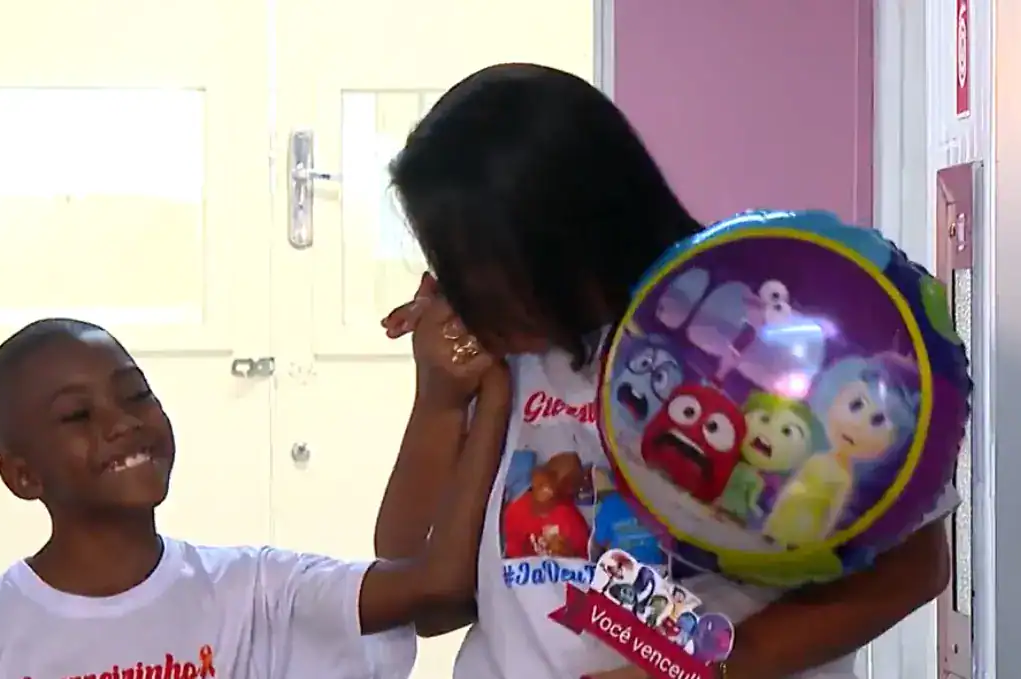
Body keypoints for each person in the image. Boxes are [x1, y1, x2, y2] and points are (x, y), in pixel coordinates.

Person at [374, 63, 958, 679]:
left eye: (472, 267)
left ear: (562, 234)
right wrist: (440, 400)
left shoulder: (758, 325)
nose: (458, 293)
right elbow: (413, 582)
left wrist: (708, 668)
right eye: (445, 264)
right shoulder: (504, 360)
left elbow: (914, 569)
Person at [0, 316, 511, 679]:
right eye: (77, 415)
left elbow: (439, 583)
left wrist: (478, 395)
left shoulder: (255, 591)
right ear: (23, 477)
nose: (122, 422)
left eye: (135, 394)